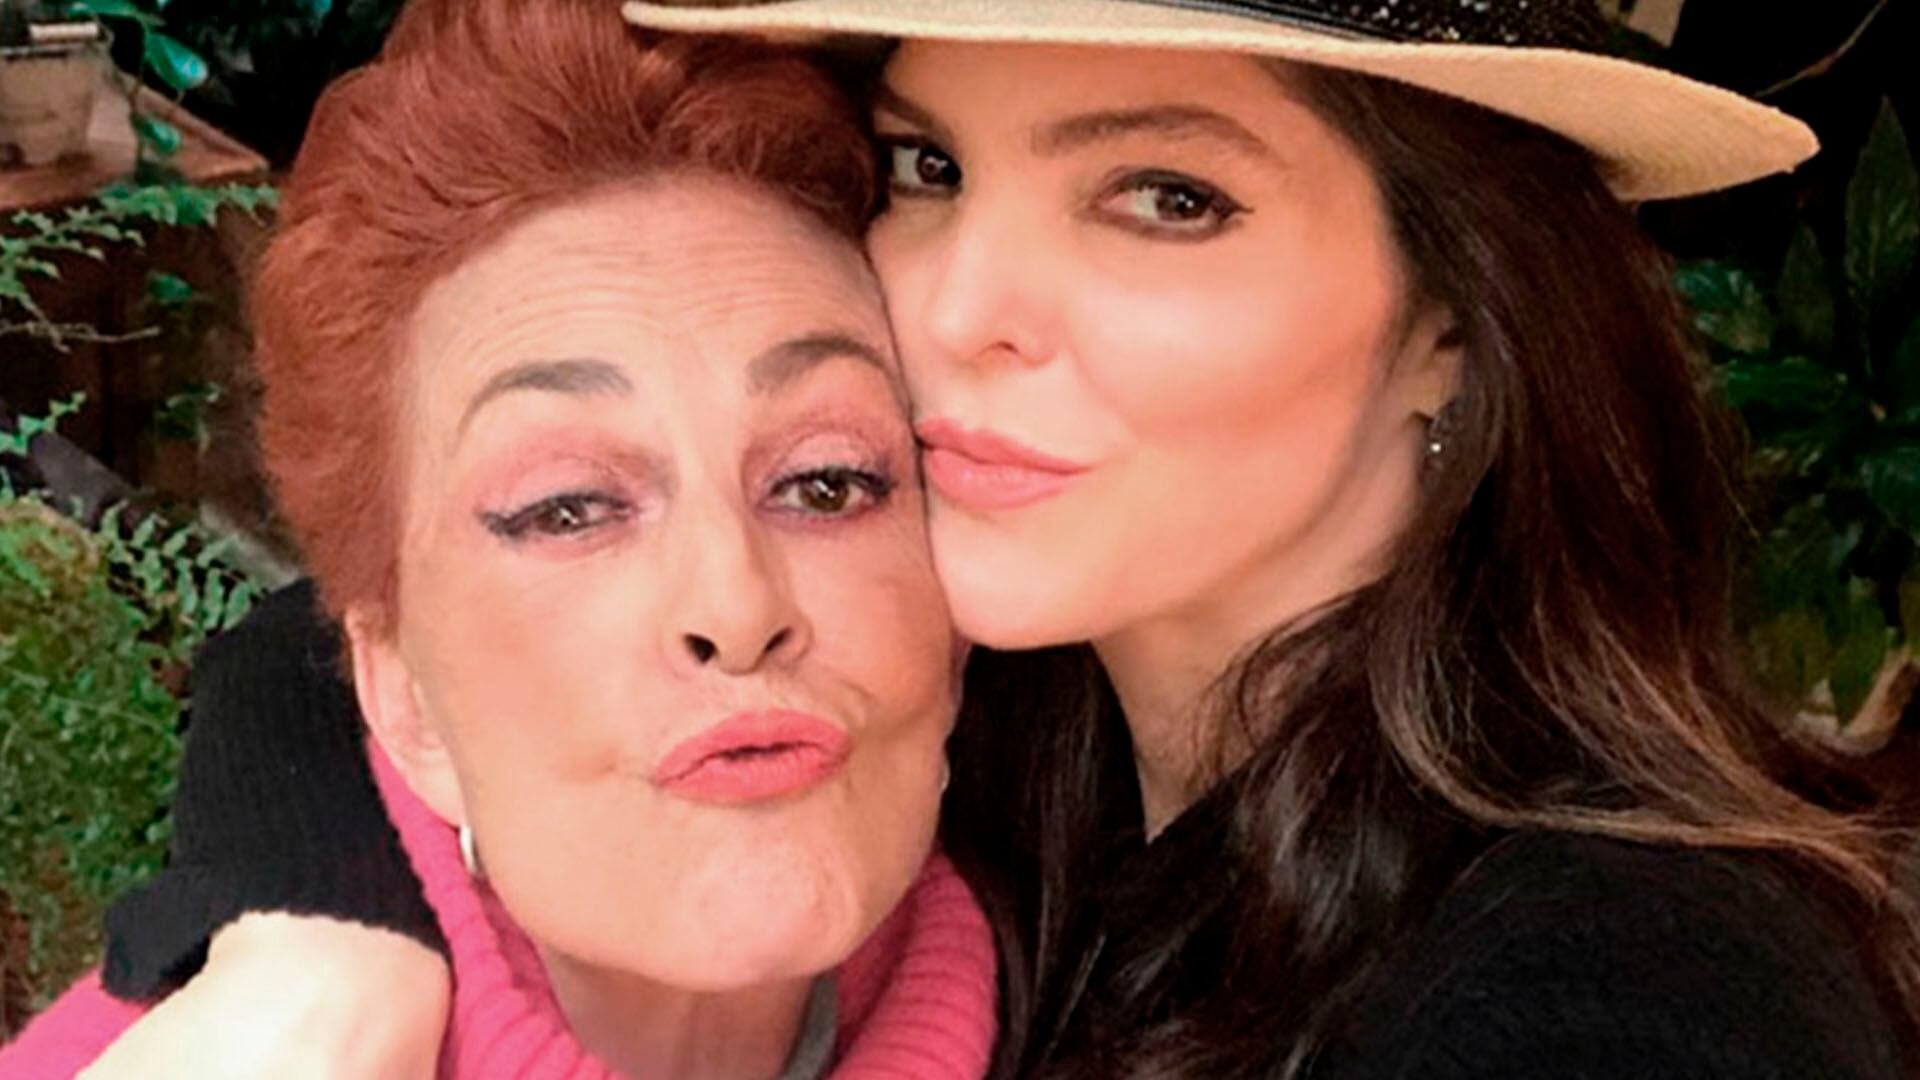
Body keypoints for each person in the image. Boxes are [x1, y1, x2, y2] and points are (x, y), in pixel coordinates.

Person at [71, 0, 1920, 1077]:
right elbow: (401, 614)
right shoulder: (1005, 731)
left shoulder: (1620, 984)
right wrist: (322, 944)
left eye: (1165, 197)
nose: (957, 311)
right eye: (929, 169)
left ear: (1454, 314)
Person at [0, 3, 1003, 1077]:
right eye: (567, 508)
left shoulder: (1094, 945)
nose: (736, 605)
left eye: (826, 483)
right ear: (402, 696)